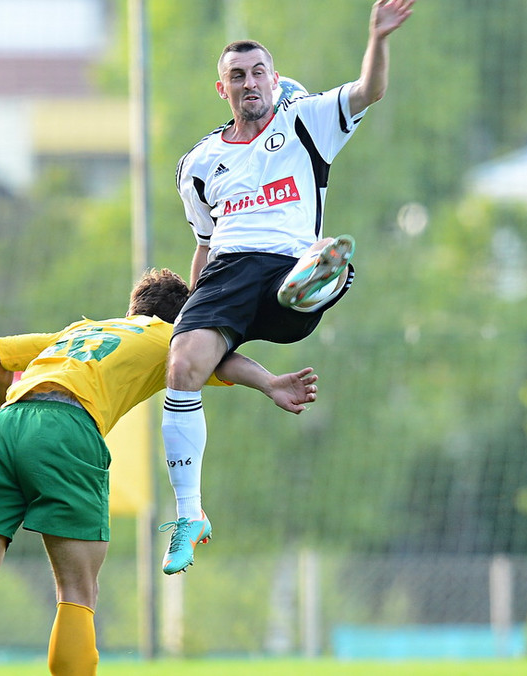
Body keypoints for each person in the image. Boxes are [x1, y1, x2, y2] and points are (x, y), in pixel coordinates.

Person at [0, 268, 319, 676]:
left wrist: (8, 409)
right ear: (183, 316)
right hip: (68, 427)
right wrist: (270, 383)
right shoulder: (170, 336)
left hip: (6, 426)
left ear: (133, 308)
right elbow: (221, 362)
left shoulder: (84, 330)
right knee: (78, 594)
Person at [159, 0, 415, 575]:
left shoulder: (306, 121)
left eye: (257, 74)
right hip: (228, 272)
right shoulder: (198, 164)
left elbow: (369, 90)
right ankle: (189, 514)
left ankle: (321, 277)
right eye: (237, 77)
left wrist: (379, 38)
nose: (249, 83)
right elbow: (204, 242)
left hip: (285, 267)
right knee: (182, 365)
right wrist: (193, 315)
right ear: (221, 88)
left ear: (274, 80)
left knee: (302, 277)